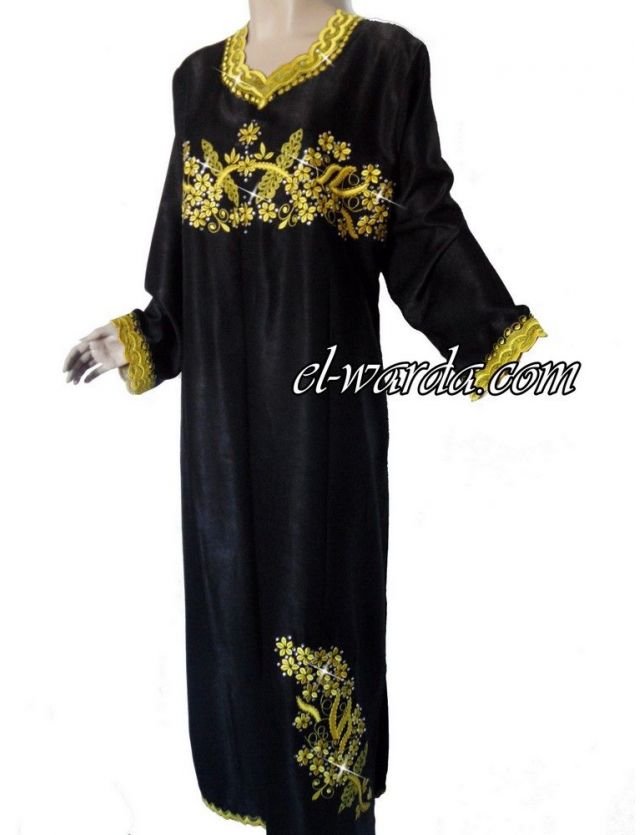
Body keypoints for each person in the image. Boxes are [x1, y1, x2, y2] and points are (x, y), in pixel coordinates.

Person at [62, 2, 546, 832]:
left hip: (324, 425)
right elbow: (183, 264)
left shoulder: (382, 62)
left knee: (320, 608)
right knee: (234, 618)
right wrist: (140, 335)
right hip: (218, 439)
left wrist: (488, 334)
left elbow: (419, 223)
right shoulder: (195, 82)